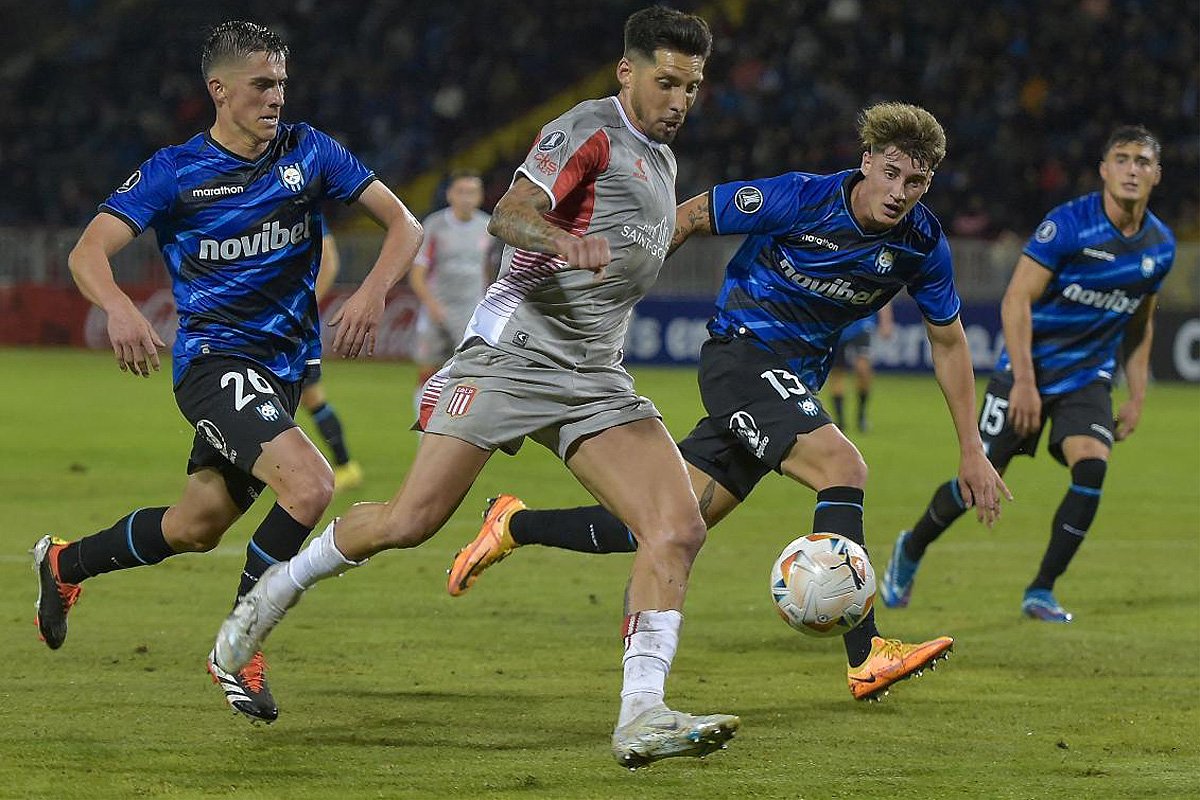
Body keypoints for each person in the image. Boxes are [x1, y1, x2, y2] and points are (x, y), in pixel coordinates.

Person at [214, 7, 738, 769]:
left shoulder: (662, 162)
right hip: (514, 356)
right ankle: (262, 604)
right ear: (627, 73)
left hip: (594, 374)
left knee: (677, 526)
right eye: (666, 82)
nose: (680, 100)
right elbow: (511, 215)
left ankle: (642, 714)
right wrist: (565, 240)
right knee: (411, 519)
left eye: (691, 86)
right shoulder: (587, 130)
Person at [447, 102, 1012, 702]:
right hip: (740, 357)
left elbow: (948, 342)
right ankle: (866, 652)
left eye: (916, 182)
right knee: (842, 467)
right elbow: (692, 215)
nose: (900, 192)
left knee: (663, 525)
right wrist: (624, 285)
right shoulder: (800, 197)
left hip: (793, 381)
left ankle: (513, 524)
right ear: (866, 161)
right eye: (891, 172)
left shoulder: (922, 243)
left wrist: (971, 448)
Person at [30, 20, 423, 724]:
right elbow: (89, 252)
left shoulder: (311, 150)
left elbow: (405, 225)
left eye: (281, 83)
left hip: (283, 372)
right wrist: (119, 308)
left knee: (196, 525)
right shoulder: (174, 171)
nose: (276, 97)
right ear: (220, 90)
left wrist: (371, 291)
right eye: (261, 84)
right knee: (310, 485)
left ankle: (65, 564)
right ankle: (239, 646)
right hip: (215, 362)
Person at [881, 125, 1175, 622]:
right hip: (1026, 369)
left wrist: (1138, 395)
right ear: (1104, 170)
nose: (1131, 169)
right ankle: (911, 547)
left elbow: (1140, 322)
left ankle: (1041, 589)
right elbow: (1016, 298)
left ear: (1156, 175)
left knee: (1093, 468)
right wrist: (1022, 381)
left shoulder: (1159, 247)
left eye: (1142, 161)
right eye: (1121, 159)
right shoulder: (1068, 226)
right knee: (978, 481)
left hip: (1087, 377)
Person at [409, 170, 496, 409]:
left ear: (480, 196)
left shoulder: (488, 227)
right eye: (461, 192)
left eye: (472, 192)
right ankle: (424, 432)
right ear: (450, 195)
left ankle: (456, 430)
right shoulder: (435, 225)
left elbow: (490, 272)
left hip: (470, 313)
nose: (467, 198)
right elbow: (417, 273)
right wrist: (432, 305)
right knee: (428, 370)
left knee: (469, 374)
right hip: (436, 309)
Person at [300, 232, 365, 491]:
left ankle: (345, 466)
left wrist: (302, 305)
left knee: (310, 396)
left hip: (289, 324)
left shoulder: (297, 199)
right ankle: (345, 466)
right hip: (264, 321)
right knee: (310, 398)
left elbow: (329, 262)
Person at [827, 303, 894, 432]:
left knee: (863, 369)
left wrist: (886, 321)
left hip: (862, 322)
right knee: (837, 372)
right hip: (837, 324)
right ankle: (840, 420)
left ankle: (861, 414)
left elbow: (885, 292)